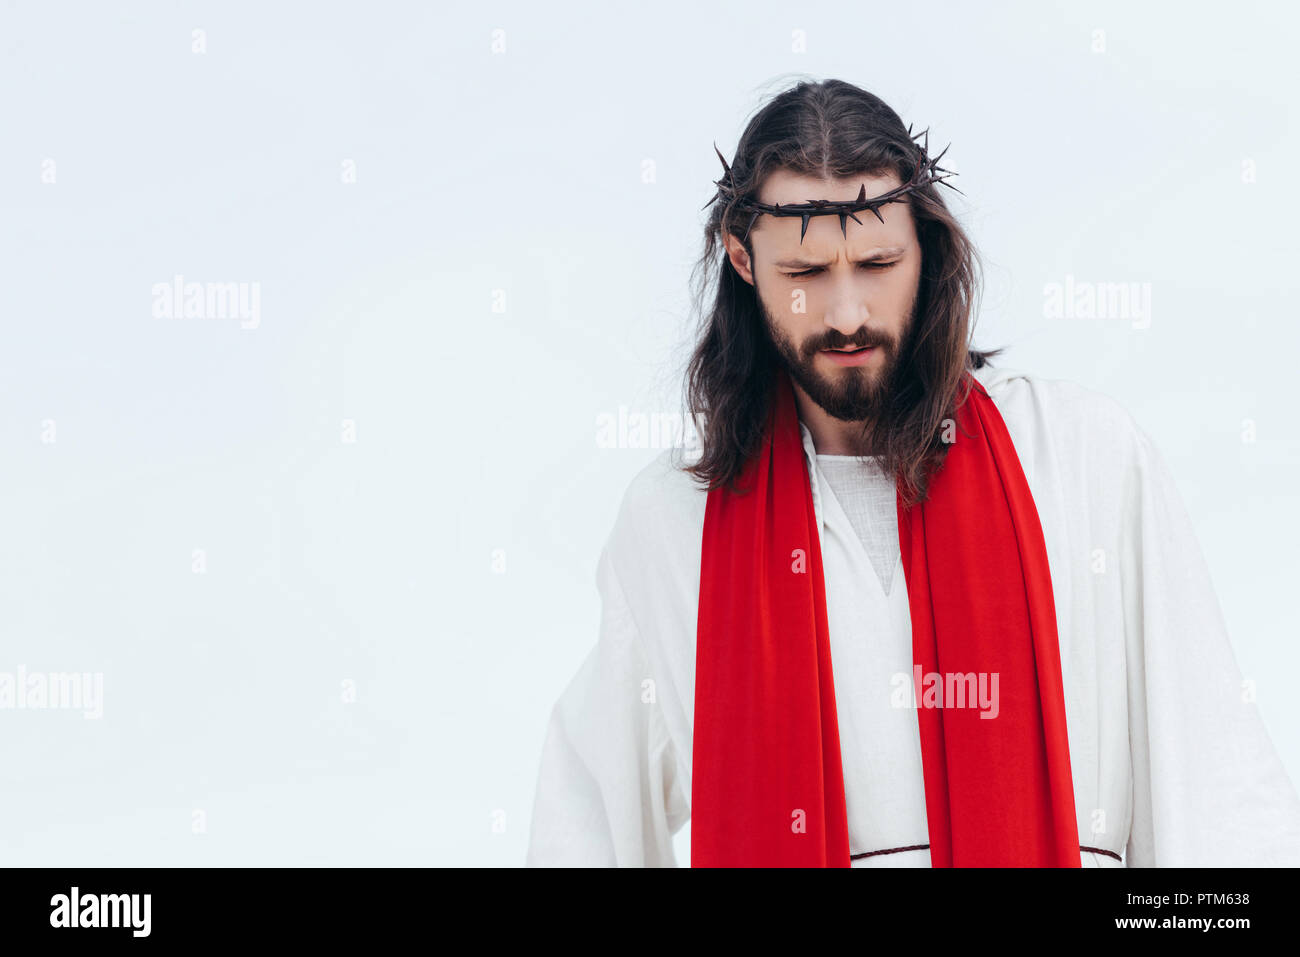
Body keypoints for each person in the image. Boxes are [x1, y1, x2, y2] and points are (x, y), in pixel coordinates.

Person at [525, 78, 1300, 867]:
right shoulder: (671, 523)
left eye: (877, 262)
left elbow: (1221, 802)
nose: (847, 313)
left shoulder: (1084, 457)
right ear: (742, 258)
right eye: (805, 273)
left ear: (925, 248)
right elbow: (584, 821)